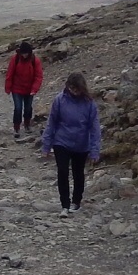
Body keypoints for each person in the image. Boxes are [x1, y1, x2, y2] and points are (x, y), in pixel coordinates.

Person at [38, 72, 102, 214]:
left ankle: (76, 201)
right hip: (61, 141)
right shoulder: (59, 100)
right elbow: (51, 123)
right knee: (62, 171)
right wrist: (46, 145)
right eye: (72, 88)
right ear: (68, 86)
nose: (75, 91)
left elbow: (95, 128)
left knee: (78, 173)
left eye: (77, 89)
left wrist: (95, 150)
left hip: (81, 144)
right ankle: (65, 204)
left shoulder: (89, 104)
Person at [4, 39, 43, 138]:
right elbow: (10, 73)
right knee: (18, 108)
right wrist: (8, 87)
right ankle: (16, 128)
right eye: (22, 53)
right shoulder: (15, 59)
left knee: (28, 108)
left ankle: (27, 124)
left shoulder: (35, 60)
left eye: (26, 53)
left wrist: (34, 89)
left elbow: (38, 76)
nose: (24, 55)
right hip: (16, 89)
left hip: (29, 90)